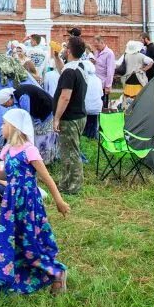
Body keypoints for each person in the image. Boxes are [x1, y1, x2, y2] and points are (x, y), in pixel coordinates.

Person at [0, 107, 69, 296]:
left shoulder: (29, 150)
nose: (1, 127)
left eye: (4, 123)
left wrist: (59, 201)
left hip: (28, 203)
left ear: (14, 127)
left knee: (30, 240)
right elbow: (8, 174)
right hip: (11, 203)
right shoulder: (7, 151)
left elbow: (47, 178)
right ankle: (10, 279)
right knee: (12, 240)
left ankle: (57, 272)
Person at [52, 35, 88, 195]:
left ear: (69, 50)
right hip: (79, 115)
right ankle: (66, 183)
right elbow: (63, 71)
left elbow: (65, 96)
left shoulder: (70, 72)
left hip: (70, 117)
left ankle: (74, 187)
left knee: (71, 153)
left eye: (66, 47)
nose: (64, 49)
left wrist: (56, 118)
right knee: (67, 152)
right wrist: (56, 57)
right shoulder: (78, 66)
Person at [0, 79, 57, 164]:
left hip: (46, 110)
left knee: (42, 136)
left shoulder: (22, 97)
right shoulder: (16, 96)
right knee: (39, 135)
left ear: (8, 100)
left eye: (4, 105)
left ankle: (44, 162)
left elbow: (26, 116)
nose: (5, 107)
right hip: (38, 113)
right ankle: (42, 160)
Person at [121, 39, 153, 107]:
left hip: (128, 79)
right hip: (139, 80)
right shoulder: (140, 56)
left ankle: (128, 113)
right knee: (139, 100)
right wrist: (144, 69)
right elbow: (151, 62)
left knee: (127, 100)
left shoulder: (126, 56)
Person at [81, 59, 103, 139]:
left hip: (84, 109)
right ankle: (93, 135)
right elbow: (101, 94)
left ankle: (84, 133)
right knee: (93, 122)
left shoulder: (82, 79)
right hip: (96, 108)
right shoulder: (98, 80)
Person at [92, 35, 115, 110]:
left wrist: (108, 86)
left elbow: (110, 70)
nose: (96, 47)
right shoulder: (96, 52)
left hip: (103, 84)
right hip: (96, 83)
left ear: (102, 42)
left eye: (97, 45)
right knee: (95, 104)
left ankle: (103, 120)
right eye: (95, 45)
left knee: (103, 106)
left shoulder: (109, 53)